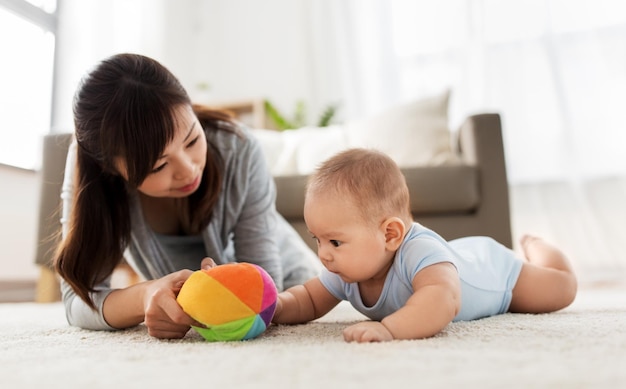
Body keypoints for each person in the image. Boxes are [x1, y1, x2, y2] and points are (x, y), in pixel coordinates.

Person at [54, 53, 320, 339]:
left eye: (192, 139)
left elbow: (265, 291)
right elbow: (77, 301)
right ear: (110, 168)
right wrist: (144, 295)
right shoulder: (91, 173)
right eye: (159, 165)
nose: (188, 169)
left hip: (294, 285)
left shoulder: (239, 149)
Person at [271, 148, 577, 342]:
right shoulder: (345, 269)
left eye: (335, 241)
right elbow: (308, 300)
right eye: (318, 239)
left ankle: (537, 246)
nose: (323, 254)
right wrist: (274, 307)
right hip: (460, 253)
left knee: (561, 289)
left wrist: (390, 329)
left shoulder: (420, 252)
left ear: (390, 235)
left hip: (495, 273)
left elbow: (442, 300)